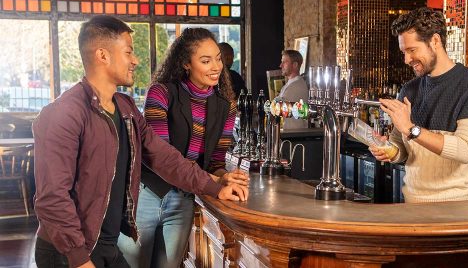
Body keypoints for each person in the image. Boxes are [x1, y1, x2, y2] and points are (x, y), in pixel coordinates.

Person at [33, 15, 249, 268]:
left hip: (106, 244)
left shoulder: (125, 108)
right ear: (103, 55)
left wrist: (216, 187)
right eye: (128, 52)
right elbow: (52, 198)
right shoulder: (63, 113)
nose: (135, 60)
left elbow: (165, 157)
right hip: (67, 251)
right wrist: (78, 259)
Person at [116, 28, 246, 268]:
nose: (216, 66)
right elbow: (160, 156)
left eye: (218, 58)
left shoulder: (226, 106)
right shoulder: (162, 93)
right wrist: (215, 184)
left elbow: (215, 162)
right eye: (205, 61)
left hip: (183, 200)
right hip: (146, 195)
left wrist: (225, 177)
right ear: (186, 63)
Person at [370, 7, 468, 203]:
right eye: (404, 52)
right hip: (412, 205)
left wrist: (411, 129)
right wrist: (387, 150)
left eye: (412, 50)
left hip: (457, 209)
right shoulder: (409, 89)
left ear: (435, 41)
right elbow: (402, 149)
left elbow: (465, 150)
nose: (407, 60)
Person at [277, 49, 309, 129]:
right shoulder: (290, 84)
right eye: (282, 62)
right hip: (289, 133)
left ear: (295, 65)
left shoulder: (297, 86)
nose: (281, 65)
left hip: (294, 135)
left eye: (285, 62)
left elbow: (278, 108)